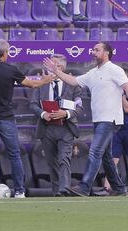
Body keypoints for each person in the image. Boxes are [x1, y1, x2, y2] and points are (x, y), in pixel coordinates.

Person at [43, 42, 128, 197]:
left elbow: (127, 87)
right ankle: (118, 187)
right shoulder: (93, 73)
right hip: (99, 120)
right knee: (106, 156)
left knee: (95, 151)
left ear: (107, 53)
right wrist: (56, 71)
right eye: (93, 50)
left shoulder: (115, 69)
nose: (93, 52)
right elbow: (73, 81)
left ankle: (84, 187)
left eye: (97, 50)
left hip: (110, 119)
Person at [0, 39, 54, 199]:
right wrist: (45, 80)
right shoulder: (11, 70)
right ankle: (20, 191)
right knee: (14, 154)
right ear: (5, 54)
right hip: (6, 119)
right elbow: (32, 85)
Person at [30, 54, 83, 197]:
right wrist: (43, 114)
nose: (49, 68)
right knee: (51, 162)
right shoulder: (42, 83)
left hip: (66, 128)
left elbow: (79, 107)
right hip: (46, 128)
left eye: (52, 65)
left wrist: (65, 114)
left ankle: (63, 190)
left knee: (63, 159)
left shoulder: (72, 84)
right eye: (48, 65)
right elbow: (33, 104)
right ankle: (56, 192)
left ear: (61, 67)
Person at [98, 88, 128, 196]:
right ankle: (107, 188)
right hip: (116, 127)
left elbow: (127, 108)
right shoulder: (112, 90)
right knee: (113, 159)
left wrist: (120, 93)